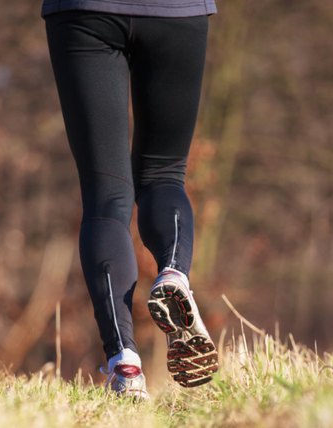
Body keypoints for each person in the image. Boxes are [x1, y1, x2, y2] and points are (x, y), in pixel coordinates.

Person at [42, 0, 218, 399]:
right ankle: (174, 271)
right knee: (164, 174)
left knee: (106, 199)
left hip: (84, 14)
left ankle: (124, 360)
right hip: (177, 12)